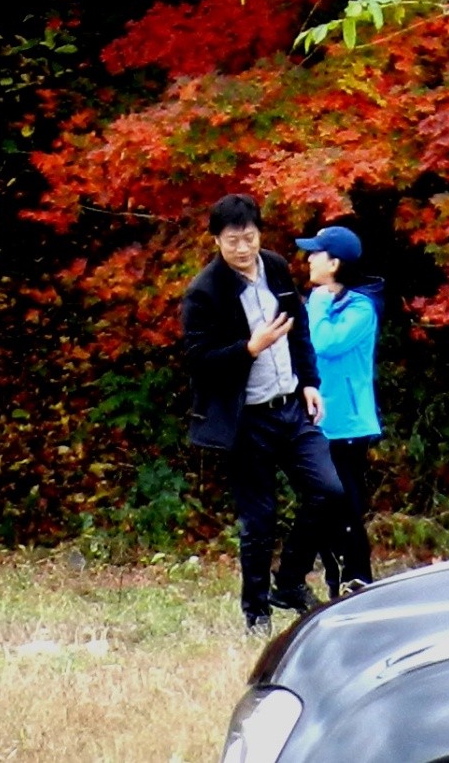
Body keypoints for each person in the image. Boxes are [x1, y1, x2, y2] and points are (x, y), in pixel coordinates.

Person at [178, 191, 345, 637]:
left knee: (328, 490)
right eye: (232, 240)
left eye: (248, 237)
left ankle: (289, 582)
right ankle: (256, 613)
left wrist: (311, 381)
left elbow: (299, 328)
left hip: (290, 404)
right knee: (260, 520)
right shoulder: (205, 292)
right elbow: (197, 359)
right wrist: (249, 349)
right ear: (216, 240)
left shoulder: (274, 266)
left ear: (259, 235)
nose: (241, 248)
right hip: (246, 419)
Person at [295, 224, 384, 598]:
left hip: (347, 422)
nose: (308, 258)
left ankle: (357, 578)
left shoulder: (360, 308)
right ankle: (337, 581)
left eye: (316, 253)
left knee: (346, 503)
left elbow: (326, 342)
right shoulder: (318, 304)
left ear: (334, 263)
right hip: (316, 419)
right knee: (325, 504)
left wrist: (316, 303)